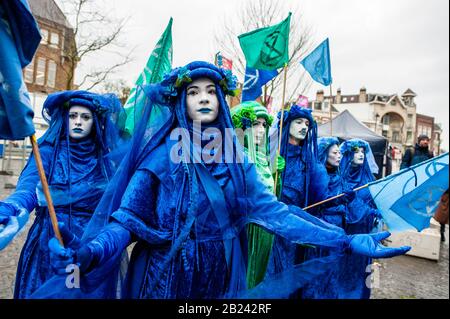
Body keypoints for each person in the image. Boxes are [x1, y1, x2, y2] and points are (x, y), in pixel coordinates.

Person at [42, 61, 409, 299]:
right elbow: (124, 224)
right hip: (166, 278)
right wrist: (90, 252)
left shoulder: (236, 163)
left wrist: (343, 240)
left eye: (209, 92)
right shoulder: (159, 159)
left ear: (220, 100)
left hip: (220, 276)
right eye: (192, 92)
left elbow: (277, 215)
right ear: (181, 103)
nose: (202, 98)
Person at [0, 90, 123, 298]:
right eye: (73, 116)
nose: (78, 122)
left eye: (85, 117)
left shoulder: (106, 159)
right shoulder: (48, 152)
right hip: (50, 241)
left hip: (88, 243)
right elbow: (28, 188)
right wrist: (11, 206)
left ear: (95, 122)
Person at [266, 105, 329, 285]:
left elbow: (318, 200)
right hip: (269, 226)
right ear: (287, 124)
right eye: (298, 122)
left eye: (307, 124)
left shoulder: (310, 163)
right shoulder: (271, 153)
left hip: (294, 228)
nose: (303, 127)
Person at [231, 101, 284, 288]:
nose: (261, 130)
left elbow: (271, 196)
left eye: (264, 125)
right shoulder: (233, 158)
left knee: (257, 280)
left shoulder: (262, 157)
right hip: (245, 231)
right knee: (242, 280)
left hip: (265, 231)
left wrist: (277, 176)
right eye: (255, 124)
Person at [301, 136, 355, 299]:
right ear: (325, 153)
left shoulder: (339, 177)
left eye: (340, 153)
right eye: (335, 152)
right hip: (321, 227)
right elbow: (319, 201)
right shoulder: (318, 174)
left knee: (332, 269)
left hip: (337, 229)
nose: (339, 156)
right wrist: (340, 199)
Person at [339, 138, 382, 299]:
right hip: (344, 231)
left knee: (361, 268)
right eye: (356, 151)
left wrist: (374, 213)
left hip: (364, 230)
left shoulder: (368, 179)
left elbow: (375, 203)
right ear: (348, 153)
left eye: (363, 151)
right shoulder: (339, 176)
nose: (361, 154)